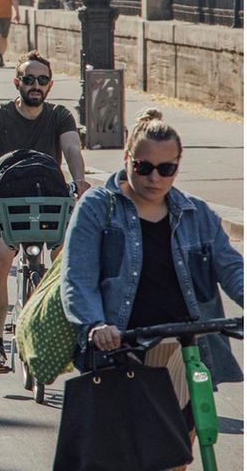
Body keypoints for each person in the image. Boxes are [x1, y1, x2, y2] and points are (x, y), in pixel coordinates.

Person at [62, 109, 242, 464]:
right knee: (128, 455)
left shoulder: (196, 214)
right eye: (144, 167)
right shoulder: (98, 209)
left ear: (177, 165)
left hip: (186, 351)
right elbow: (77, 278)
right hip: (122, 349)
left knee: (178, 453)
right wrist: (96, 325)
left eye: (166, 168)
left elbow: (233, 268)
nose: (155, 178)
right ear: (127, 157)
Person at [0, 51, 89, 373]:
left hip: (50, 200)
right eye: (29, 79)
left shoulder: (60, 115)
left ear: (50, 85)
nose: (36, 85)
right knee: (0, 258)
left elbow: (72, 148)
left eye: (42, 80)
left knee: (66, 259)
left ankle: (65, 333)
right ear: (17, 82)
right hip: (6, 200)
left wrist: (79, 180)